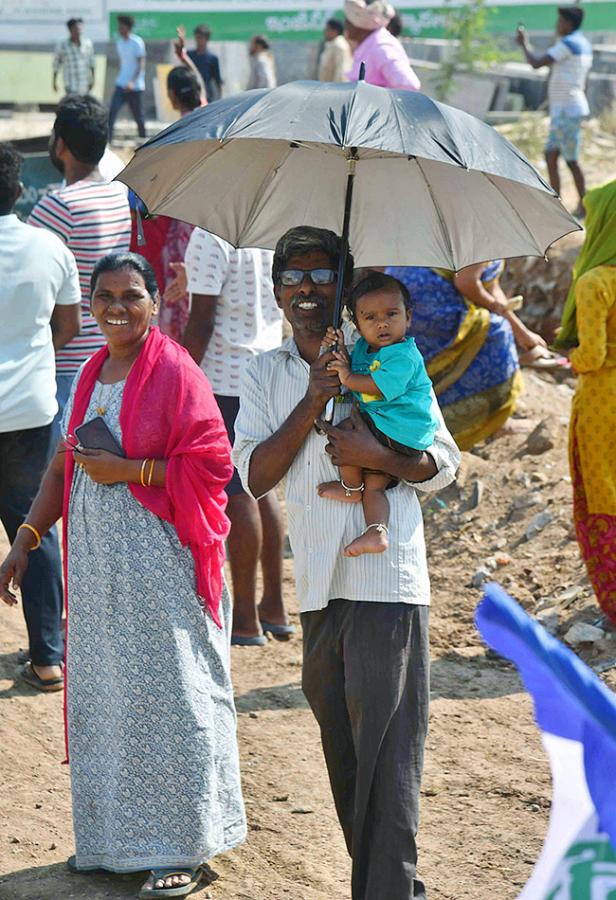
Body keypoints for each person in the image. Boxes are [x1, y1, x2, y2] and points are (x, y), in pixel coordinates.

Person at [0, 252, 246, 897]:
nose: (117, 308)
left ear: (155, 301)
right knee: (111, 696)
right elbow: (65, 464)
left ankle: (184, 846)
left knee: (174, 692)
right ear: (89, 303)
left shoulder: (174, 370)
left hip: (160, 560)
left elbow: (213, 465)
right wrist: (25, 538)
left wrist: (132, 471)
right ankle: (116, 842)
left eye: (131, 295)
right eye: (105, 296)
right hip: (102, 568)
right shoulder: (89, 371)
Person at [233, 226, 460, 900]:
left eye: (321, 275)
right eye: (293, 277)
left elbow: (440, 464)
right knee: (346, 756)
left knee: (388, 758)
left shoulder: (390, 358)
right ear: (276, 292)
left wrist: (378, 453)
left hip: (386, 580)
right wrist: (312, 396)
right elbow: (253, 476)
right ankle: (392, 889)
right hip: (318, 588)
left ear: (345, 290)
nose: (306, 288)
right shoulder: (264, 371)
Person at [0, 142, 81, 692]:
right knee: (34, 530)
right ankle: (49, 657)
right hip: (30, 410)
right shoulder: (49, 247)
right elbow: (69, 325)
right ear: (18, 188)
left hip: (28, 409)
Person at [183, 229, 289, 645]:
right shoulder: (266, 229)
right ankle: (273, 607)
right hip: (265, 369)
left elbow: (202, 319)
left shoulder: (209, 236)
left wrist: (178, 376)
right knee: (262, 486)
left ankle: (245, 617)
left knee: (237, 490)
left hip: (225, 378)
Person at [28, 95, 131, 446]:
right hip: (112, 355)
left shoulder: (58, 208)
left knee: (59, 472)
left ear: (60, 146)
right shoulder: (120, 195)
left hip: (67, 364)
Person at [318, 273, 437, 557]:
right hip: (389, 430)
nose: (382, 323)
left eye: (391, 314)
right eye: (370, 318)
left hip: (400, 431)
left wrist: (346, 376)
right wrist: (336, 346)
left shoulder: (403, 355)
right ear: (357, 325)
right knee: (376, 486)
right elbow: (354, 366)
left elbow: (376, 386)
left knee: (344, 434)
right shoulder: (363, 347)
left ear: (408, 317)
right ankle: (377, 531)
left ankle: (350, 487)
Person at [385, 262, 549, 449]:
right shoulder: (481, 233)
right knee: (496, 333)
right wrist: (507, 320)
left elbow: (491, 287)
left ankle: (420, 420)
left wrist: (522, 332)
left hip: (397, 294)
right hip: (426, 299)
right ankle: (489, 423)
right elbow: (466, 282)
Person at [556, 181, 616, 627]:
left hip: (603, 403)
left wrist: (566, 359)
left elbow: (592, 356)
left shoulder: (595, 282)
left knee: (603, 494)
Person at [128, 67, 202, 342]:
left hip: (177, 237)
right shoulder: (217, 126)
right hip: (208, 231)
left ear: (171, 96)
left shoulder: (173, 136)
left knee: (174, 313)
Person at [516, 6, 593, 217]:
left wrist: (524, 45)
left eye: (560, 21)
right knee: (551, 155)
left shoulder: (568, 44)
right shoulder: (583, 43)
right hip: (567, 109)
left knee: (570, 159)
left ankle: (583, 205)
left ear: (569, 23)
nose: (557, 25)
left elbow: (536, 63)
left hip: (567, 110)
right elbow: (585, 81)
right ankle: (557, 206)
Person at [344, 0, 420, 90]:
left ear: (361, 24)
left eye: (348, 21)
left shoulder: (382, 48)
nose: (346, 25)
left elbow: (408, 85)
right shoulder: (370, 45)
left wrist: (377, 101)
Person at [108, 15, 147, 142]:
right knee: (112, 111)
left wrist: (133, 82)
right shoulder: (119, 43)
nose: (119, 29)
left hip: (135, 87)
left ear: (128, 27)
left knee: (138, 116)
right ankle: (108, 140)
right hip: (121, 84)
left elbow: (141, 63)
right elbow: (124, 63)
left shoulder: (137, 42)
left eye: (122, 26)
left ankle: (143, 141)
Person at [175, 23, 222, 102]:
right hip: (192, 93)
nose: (198, 40)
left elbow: (218, 81)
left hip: (207, 95)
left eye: (200, 38)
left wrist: (220, 99)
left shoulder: (212, 58)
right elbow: (182, 58)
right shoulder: (190, 55)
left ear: (206, 39)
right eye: (197, 38)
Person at [52, 18, 95, 96]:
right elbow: (56, 64)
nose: (79, 31)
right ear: (70, 30)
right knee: (73, 107)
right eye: (76, 29)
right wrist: (54, 82)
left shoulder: (87, 44)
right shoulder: (62, 45)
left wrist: (93, 80)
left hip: (85, 84)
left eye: (80, 29)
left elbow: (92, 63)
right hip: (70, 85)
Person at [318, 18, 352, 83]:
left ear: (335, 31)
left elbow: (342, 71)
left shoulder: (340, 46)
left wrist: (336, 90)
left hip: (333, 89)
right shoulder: (332, 45)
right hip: (326, 88)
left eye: (327, 29)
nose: (324, 31)